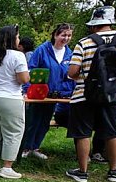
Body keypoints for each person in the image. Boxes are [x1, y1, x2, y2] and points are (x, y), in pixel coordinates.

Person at [66, 6, 116, 182]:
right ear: (111, 22)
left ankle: (82, 172)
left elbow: (72, 71)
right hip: (112, 95)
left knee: (83, 132)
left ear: (93, 25)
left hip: (84, 94)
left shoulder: (84, 43)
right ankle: (113, 170)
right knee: (111, 132)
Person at [0, 25, 30, 179]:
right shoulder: (18, 56)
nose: (19, 39)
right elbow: (23, 79)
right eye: (17, 37)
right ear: (11, 38)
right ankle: (7, 167)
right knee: (13, 133)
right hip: (10, 99)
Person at [21, 23, 76, 160]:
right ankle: (25, 147)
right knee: (33, 120)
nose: (66, 38)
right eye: (63, 35)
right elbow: (31, 71)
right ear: (55, 35)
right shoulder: (42, 50)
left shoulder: (70, 54)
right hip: (38, 95)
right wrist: (27, 90)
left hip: (58, 95)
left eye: (69, 35)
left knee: (45, 122)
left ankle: (35, 147)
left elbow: (71, 76)